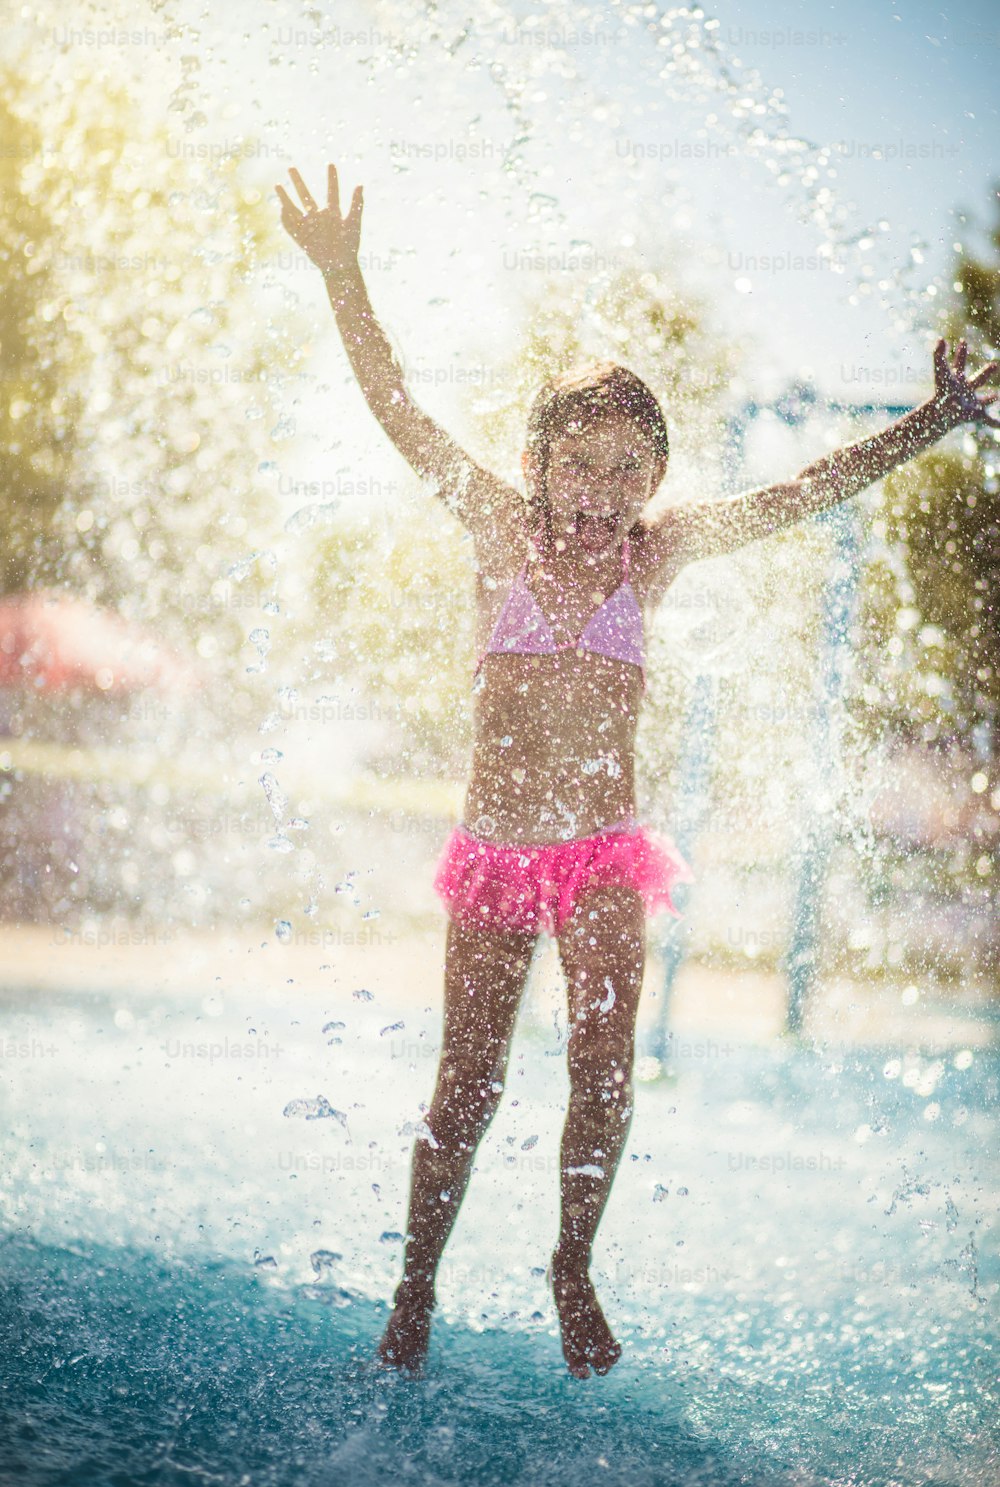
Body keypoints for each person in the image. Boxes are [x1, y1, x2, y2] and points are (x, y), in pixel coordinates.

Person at [276, 163, 999, 1379]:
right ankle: (415, 1284)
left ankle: (573, 1265)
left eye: (629, 470)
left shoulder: (653, 561)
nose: (603, 490)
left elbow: (801, 491)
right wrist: (346, 277)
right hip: (497, 855)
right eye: (581, 463)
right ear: (541, 461)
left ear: (652, 482)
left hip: (604, 856)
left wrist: (930, 423)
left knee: (604, 1072)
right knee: (466, 1080)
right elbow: (397, 406)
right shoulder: (494, 527)